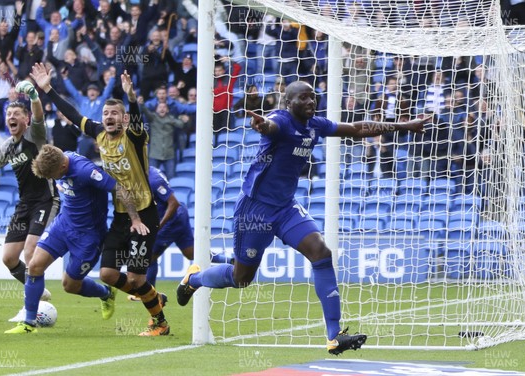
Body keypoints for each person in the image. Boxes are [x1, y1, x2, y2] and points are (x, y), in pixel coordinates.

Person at [175, 81, 429, 355]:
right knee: (241, 278)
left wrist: (406, 126)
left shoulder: (315, 125)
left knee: (320, 252)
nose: (311, 102)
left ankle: (334, 335)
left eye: (313, 97)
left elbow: (357, 129)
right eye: (304, 98)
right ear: (289, 102)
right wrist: (262, 126)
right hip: (255, 210)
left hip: (285, 208)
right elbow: (270, 126)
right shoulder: (280, 122)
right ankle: (194, 280)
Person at [31, 62, 168, 337]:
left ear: (124, 119)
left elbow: (138, 119)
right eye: (105, 113)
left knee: (136, 278)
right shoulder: (99, 134)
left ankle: (160, 323)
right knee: (107, 274)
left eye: (115, 113)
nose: (109, 116)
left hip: (143, 213)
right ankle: (152, 297)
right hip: (121, 214)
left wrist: (131, 97)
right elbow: (73, 114)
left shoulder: (135, 136)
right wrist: (48, 89)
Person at [5, 145, 149, 333]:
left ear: (63, 168)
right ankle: (28, 323)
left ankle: (106, 294)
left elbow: (119, 189)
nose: (53, 179)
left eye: (54, 176)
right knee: (34, 266)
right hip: (63, 225)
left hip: (88, 236)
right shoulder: (60, 159)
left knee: (70, 285)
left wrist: (135, 219)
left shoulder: (86, 171)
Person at [0, 81, 59, 321]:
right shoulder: (8, 146)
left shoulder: (34, 135)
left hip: (46, 200)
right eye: (8, 114)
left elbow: (38, 116)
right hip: (25, 204)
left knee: (30, 252)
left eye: (17, 113)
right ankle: (37, 287)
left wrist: (35, 96)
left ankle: (32, 309)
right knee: (8, 258)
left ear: (25, 119)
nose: (11, 117)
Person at [127, 166, 231, 301]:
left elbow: (173, 203)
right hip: (178, 216)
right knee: (191, 253)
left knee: (149, 257)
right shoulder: (147, 172)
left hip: (172, 219)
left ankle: (148, 294)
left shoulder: (153, 180)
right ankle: (229, 260)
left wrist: (158, 226)